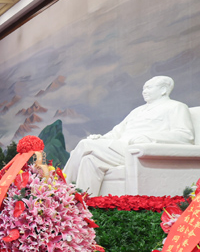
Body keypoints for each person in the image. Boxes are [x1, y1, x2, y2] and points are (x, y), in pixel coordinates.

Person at [63, 76, 195, 195]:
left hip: (136, 150)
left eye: (149, 88)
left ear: (163, 90)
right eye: (143, 88)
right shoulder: (137, 111)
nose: (144, 91)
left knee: (84, 145)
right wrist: (101, 139)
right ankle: (82, 207)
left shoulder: (175, 107)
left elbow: (185, 136)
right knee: (89, 161)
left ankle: (61, 192)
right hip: (119, 148)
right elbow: (117, 132)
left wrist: (149, 139)